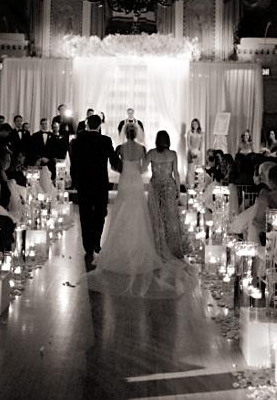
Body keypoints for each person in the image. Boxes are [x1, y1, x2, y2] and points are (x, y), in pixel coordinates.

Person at [84, 126, 195, 298]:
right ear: (136, 133)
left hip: (126, 182)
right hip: (139, 183)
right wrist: (178, 191)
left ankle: (123, 246)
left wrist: (127, 168)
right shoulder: (145, 150)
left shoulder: (126, 149)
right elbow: (147, 169)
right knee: (151, 216)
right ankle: (166, 247)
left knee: (123, 212)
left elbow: (129, 167)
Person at [69, 114, 118, 268]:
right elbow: (114, 162)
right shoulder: (106, 140)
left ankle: (87, 246)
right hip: (100, 183)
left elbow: (74, 164)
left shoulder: (77, 141)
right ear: (99, 126)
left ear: (87, 124)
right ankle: (96, 241)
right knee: (100, 212)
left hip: (83, 184)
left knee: (85, 213)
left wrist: (76, 182)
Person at [143, 130, 187, 260]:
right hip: (169, 187)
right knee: (170, 217)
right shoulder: (172, 154)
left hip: (155, 186)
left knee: (156, 217)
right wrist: (179, 191)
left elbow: (142, 168)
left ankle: (157, 248)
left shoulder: (151, 153)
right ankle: (172, 248)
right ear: (168, 141)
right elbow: (176, 174)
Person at [186, 118, 203, 187]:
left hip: (198, 153)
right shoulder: (189, 132)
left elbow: (201, 144)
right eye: (193, 124)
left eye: (195, 124)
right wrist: (191, 152)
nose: (194, 125)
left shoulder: (201, 133)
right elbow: (188, 143)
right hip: (191, 151)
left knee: (198, 169)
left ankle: (198, 185)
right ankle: (190, 185)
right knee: (190, 169)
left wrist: (199, 152)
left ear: (198, 124)